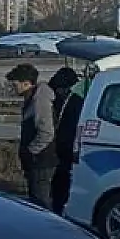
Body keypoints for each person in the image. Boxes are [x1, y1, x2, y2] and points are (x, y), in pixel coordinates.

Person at [6, 63, 58, 209]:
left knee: (41, 202)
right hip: (37, 160)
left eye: (15, 84)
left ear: (26, 83)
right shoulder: (33, 98)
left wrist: (31, 151)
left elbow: (46, 132)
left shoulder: (39, 101)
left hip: (41, 160)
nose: (12, 88)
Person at [49, 67, 82, 214]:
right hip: (66, 149)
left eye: (58, 90)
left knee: (62, 185)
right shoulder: (72, 99)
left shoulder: (75, 101)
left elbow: (68, 128)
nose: (57, 94)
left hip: (68, 149)